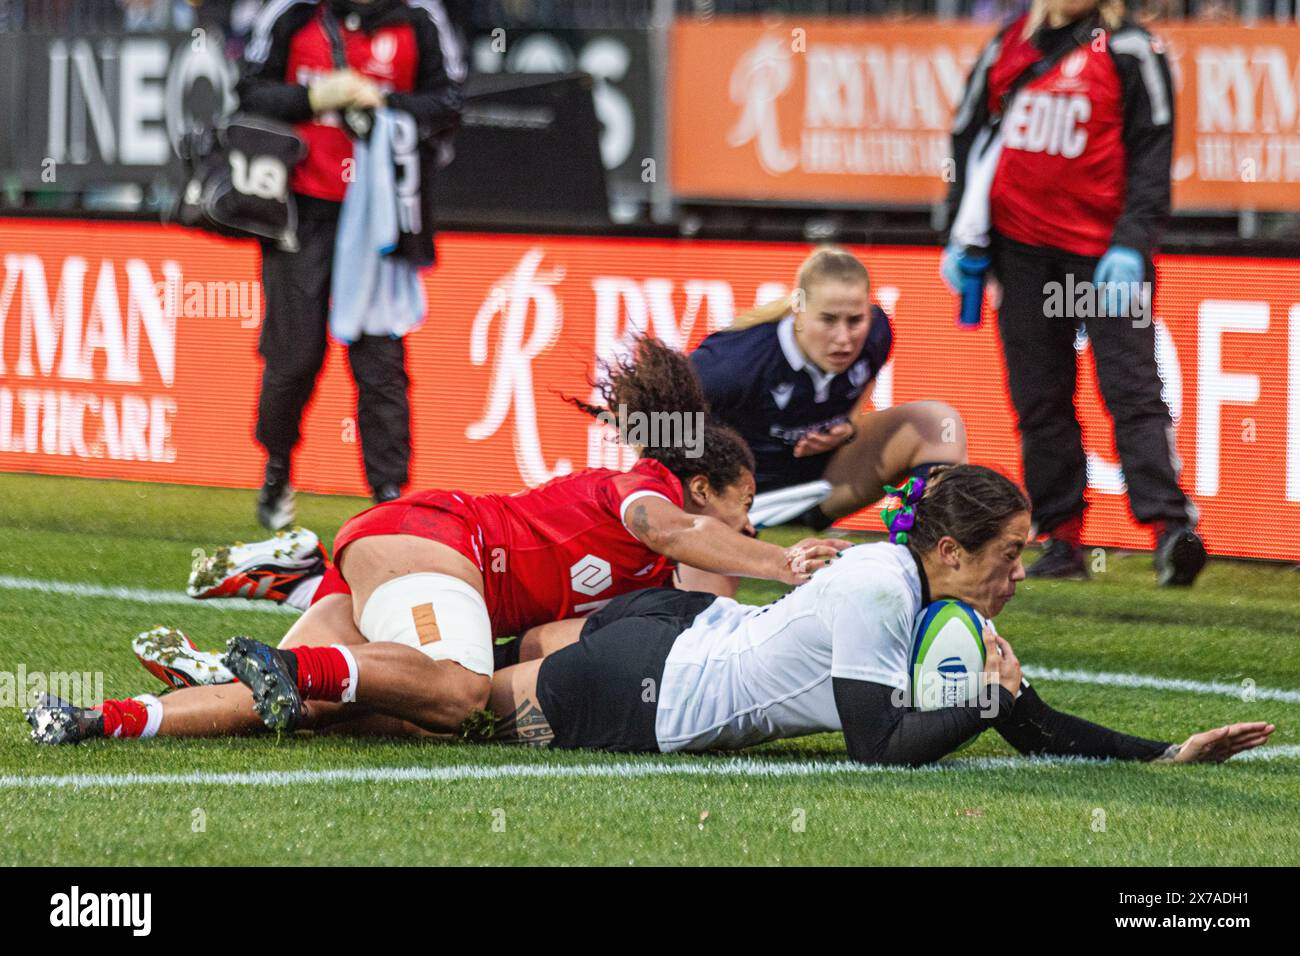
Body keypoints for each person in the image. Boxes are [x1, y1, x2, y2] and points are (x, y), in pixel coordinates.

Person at [27, 340, 849, 745]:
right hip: (437, 545)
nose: (750, 528)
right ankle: (289, 630)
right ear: (703, 490)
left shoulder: (670, 550)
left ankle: (104, 718)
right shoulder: (654, 492)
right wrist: (786, 563)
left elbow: (609, 630)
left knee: (341, 712)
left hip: (408, 566)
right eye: (745, 510)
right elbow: (661, 527)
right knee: (455, 693)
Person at [482, 465, 1273, 766]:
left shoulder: (943, 604)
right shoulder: (881, 589)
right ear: (955, 550)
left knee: (469, 678)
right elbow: (878, 746)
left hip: (684, 626)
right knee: (450, 707)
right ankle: (352, 678)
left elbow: (1033, 726)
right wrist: (982, 701)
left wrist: (1168, 753)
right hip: (654, 685)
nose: (1021, 574)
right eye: (1010, 553)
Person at [942, 0, 1206, 585]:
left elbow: (1152, 158)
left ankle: (1170, 530)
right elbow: (964, 138)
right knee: (1040, 400)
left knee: (1131, 389)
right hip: (1022, 253)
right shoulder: (1007, 44)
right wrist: (956, 230)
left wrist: (1133, 243)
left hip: (1100, 252)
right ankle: (1061, 540)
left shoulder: (1133, 51)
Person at [239, 0, 465, 528]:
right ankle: (277, 464)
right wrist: (315, 96)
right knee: (294, 356)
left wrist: (387, 106)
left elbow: (450, 102)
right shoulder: (291, 13)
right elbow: (249, 93)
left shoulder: (419, 18)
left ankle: (388, 496)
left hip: (383, 214)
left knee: (380, 358)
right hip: (301, 208)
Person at [691, 245, 967, 531]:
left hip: (821, 488)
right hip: (737, 502)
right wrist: (699, 492)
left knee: (941, 424)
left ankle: (930, 549)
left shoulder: (876, 333)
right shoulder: (733, 363)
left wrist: (850, 423)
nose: (844, 339)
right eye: (828, 320)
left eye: (855, 320)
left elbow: (865, 379)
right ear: (798, 308)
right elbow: (646, 416)